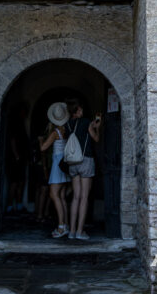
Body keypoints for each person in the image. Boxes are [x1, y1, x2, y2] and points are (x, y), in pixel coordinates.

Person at [66, 99, 102, 240]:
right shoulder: (86, 121)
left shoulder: (68, 124)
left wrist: (91, 125)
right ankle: (80, 232)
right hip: (85, 159)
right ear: (76, 111)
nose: (82, 111)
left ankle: (72, 231)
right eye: (80, 110)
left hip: (72, 162)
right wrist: (97, 127)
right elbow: (96, 139)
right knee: (84, 197)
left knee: (75, 197)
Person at [39, 102, 70, 237]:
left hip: (57, 164)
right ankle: (66, 224)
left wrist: (40, 140)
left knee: (53, 194)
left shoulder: (55, 132)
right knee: (62, 196)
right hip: (64, 163)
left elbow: (43, 148)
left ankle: (61, 227)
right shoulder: (66, 130)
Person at [5, 101, 30, 213]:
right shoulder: (16, 123)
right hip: (15, 158)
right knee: (15, 182)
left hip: (19, 157)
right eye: (24, 111)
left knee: (20, 182)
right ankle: (10, 206)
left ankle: (19, 205)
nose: (26, 114)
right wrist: (16, 155)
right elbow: (13, 140)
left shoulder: (20, 123)